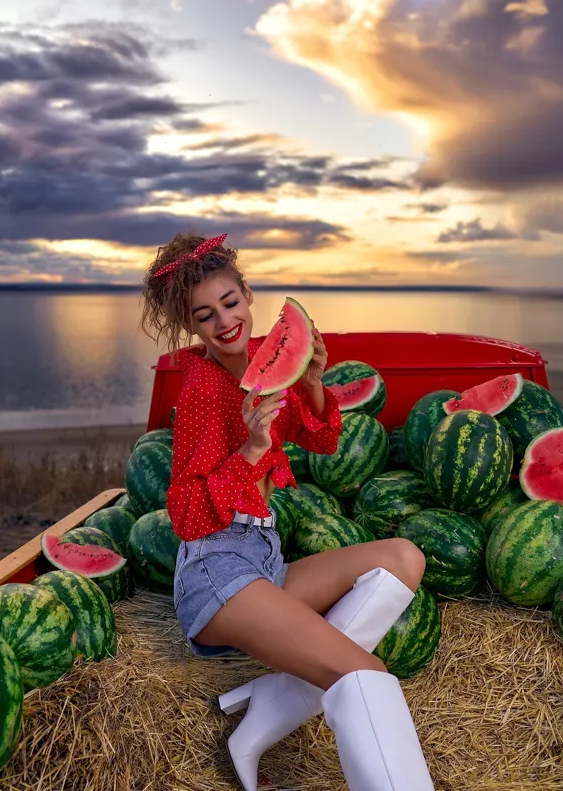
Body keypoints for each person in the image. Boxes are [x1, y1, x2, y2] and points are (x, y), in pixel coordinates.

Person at [138, 232, 436, 791]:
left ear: (248, 295)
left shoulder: (262, 363)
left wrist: (316, 380)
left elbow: (320, 440)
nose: (224, 321)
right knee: (366, 675)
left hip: (264, 560)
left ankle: (275, 697)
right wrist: (251, 451)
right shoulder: (202, 388)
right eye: (205, 316)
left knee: (403, 558)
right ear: (192, 327)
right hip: (216, 571)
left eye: (230, 303)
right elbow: (184, 515)